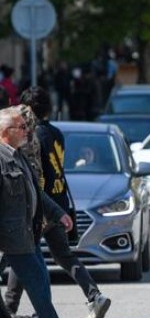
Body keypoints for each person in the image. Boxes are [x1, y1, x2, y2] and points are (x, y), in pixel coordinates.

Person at [5, 87, 111, 318]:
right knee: (62, 256)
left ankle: (11, 307)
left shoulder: (33, 137)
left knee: (25, 255)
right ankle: (94, 295)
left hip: (40, 206)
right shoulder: (56, 133)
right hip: (58, 200)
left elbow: (34, 175)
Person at [0, 106, 73, 318]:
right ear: (5, 131)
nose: (26, 131)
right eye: (21, 127)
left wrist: (59, 213)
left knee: (40, 279)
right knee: (38, 285)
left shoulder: (19, 156)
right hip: (12, 239)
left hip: (27, 236)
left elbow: (37, 194)